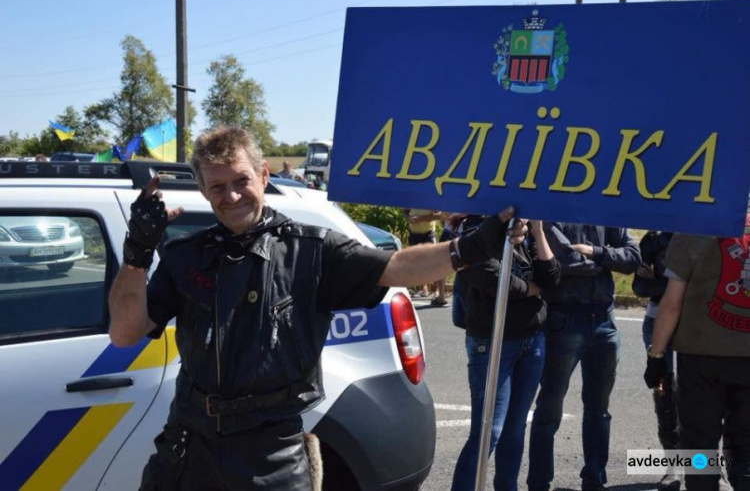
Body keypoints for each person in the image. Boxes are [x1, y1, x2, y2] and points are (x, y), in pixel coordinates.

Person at [108, 125, 527, 490]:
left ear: (263, 174)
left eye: (241, 180)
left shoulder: (311, 250)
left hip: (271, 456)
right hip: (188, 449)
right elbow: (125, 333)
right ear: (202, 190)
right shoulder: (185, 256)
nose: (232, 195)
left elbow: (398, 267)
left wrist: (473, 246)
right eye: (217, 186)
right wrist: (137, 253)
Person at [527, 223, 640, 491]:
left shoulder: (605, 210)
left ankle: (594, 479)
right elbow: (564, 261)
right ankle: (539, 483)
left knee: (599, 409)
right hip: (563, 319)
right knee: (549, 408)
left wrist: (594, 252)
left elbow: (633, 258)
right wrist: (605, 260)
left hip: (604, 320)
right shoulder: (553, 212)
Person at [451, 218, 560, 491]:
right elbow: (488, 276)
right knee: (488, 432)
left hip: (532, 340)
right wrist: (531, 289)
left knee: (515, 429)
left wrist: (537, 231)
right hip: (491, 342)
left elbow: (552, 276)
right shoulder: (475, 227)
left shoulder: (529, 233)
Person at [644, 214, 750, 491]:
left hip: (700, 357)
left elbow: (671, 303)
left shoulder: (695, 229)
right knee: (745, 451)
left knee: (699, 449)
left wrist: (655, 356)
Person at [632, 230, 679, 490]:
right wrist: (680, 282)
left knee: (697, 396)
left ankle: (705, 466)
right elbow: (639, 287)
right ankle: (674, 467)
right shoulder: (653, 237)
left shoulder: (706, 232)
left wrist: (661, 281)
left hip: (696, 323)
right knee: (664, 394)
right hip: (655, 321)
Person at [402, 207, 443, 300]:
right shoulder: (412, 198)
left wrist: (421, 219)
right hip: (414, 234)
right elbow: (404, 211)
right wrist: (408, 218)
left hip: (428, 233)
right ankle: (423, 289)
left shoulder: (430, 199)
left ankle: (436, 291)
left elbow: (439, 215)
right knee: (417, 262)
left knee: (433, 262)